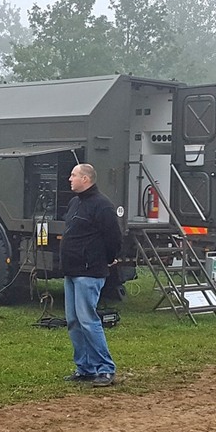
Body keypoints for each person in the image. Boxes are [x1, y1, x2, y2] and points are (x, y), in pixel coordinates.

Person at [61, 163, 122, 386]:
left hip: (89, 271)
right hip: (71, 270)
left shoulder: (102, 205)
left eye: (73, 175)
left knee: (88, 320)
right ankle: (85, 368)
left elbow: (114, 237)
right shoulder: (75, 203)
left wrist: (108, 258)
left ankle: (105, 369)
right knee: (73, 321)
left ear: (85, 179)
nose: (70, 179)